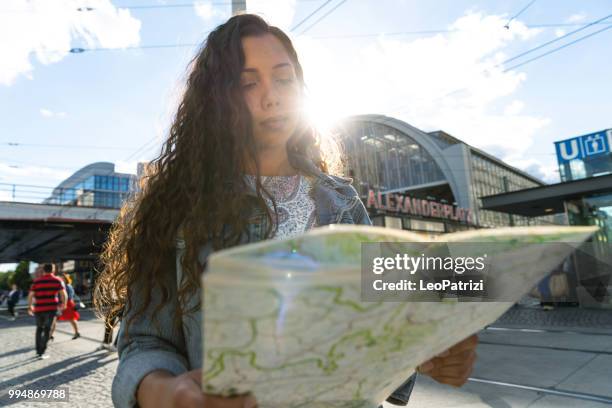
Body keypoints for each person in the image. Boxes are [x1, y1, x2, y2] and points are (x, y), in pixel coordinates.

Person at [95, 14, 478, 408]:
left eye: (283, 78)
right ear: (216, 101)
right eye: (248, 83)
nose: (272, 96)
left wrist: (429, 353)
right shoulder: (177, 207)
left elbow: (381, 332)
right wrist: (169, 393)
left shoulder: (343, 204)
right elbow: (145, 343)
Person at [28, 263, 67, 359]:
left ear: (43, 270)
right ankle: (42, 351)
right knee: (47, 329)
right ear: (53, 270)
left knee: (39, 328)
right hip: (51, 309)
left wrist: (30, 306)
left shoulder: (37, 281)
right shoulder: (57, 280)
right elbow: (63, 294)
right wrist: (64, 304)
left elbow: (30, 295)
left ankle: (38, 351)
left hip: (38, 308)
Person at [51, 273, 81, 340]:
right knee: (55, 319)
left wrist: (62, 303)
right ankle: (50, 335)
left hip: (68, 304)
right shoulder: (63, 285)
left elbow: (68, 296)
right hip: (64, 303)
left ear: (65, 279)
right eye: (60, 278)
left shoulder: (67, 286)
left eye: (62, 278)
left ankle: (77, 332)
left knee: (71, 319)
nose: (60, 279)